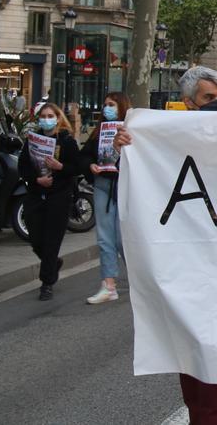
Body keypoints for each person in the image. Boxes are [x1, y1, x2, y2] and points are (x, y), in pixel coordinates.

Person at [112, 66, 217, 423]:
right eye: (208, 98)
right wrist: (127, 150)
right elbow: (144, 183)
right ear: (188, 102)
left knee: (211, 353)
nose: (216, 104)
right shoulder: (160, 134)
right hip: (180, 262)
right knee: (189, 352)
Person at [18, 102, 82, 301]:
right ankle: (53, 263)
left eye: (50, 115)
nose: (46, 119)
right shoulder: (32, 140)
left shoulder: (67, 141)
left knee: (52, 240)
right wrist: (36, 180)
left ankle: (47, 282)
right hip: (36, 194)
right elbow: (23, 166)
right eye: (43, 116)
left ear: (58, 117)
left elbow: (77, 168)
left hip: (59, 196)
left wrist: (60, 166)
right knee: (36, 238)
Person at [80, 92, 130, 305]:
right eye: (105, 104)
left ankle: (142, 279)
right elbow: (85, 155)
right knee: (104, 238)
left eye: (112, 104)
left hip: (125, 186)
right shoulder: (98, 132)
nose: (106, 108)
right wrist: (89, 165)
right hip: (103, 185)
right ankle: (108, 284)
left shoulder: (131, 131)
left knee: (122, 239)